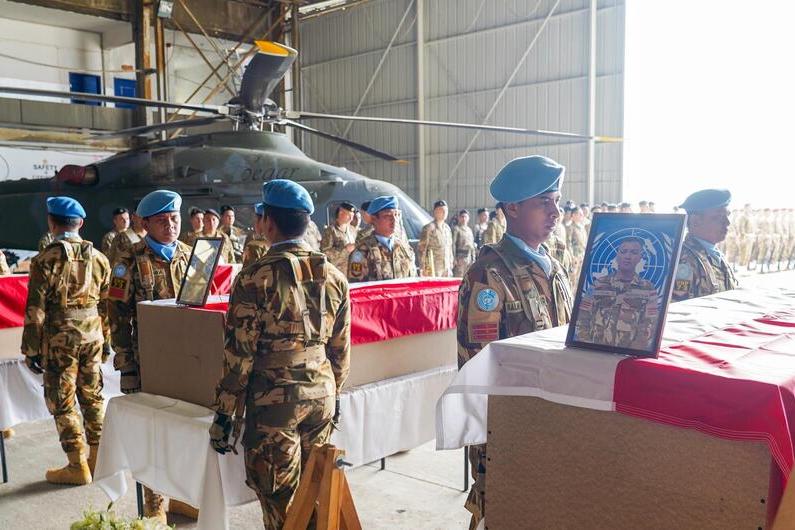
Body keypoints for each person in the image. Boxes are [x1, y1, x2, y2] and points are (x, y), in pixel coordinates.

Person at [210, 179, 350, 529]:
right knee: (314, 488)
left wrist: (225, 415)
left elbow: (238, 355)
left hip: (275, 404)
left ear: (267, 223)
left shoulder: (254, 277)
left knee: (280, 499)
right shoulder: (333, 276)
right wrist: (334, 393)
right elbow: (341, 348)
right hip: (322, 395)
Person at [458, 155, 573, 529]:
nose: (555, 211)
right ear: (512, 207)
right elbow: (477, 365)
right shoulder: (489, 273)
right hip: (512, 432)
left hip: (556, 420)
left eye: (556, 200)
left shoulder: (553, 266)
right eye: (544, 202)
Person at [108, 190, 197, 522]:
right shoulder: (128, 262)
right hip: (151, 364)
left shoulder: (192, 255)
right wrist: (127, 366)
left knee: (187, 429)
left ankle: (184, 494)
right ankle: (155, 503)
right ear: (144, 223)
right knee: (154, 433)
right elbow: (117, 318)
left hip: (191, 359)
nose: (171, 225)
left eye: (174, 218)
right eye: (162, 220)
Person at [21, 196, 111, 485]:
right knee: (92, 395)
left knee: (62, 399)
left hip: (61, 339)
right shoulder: (100, 258)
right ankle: (99, 460)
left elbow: (35, 309)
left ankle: (76, 465)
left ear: (51, 222)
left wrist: (31, 349)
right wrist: (106, 340)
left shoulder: (45, 259)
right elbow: (106, 305)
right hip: (93, 335)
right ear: (80, 223)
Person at [574, 237, 658, 350]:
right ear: (617, 255)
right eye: (623, 251)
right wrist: (586, 345)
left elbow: (649, 325)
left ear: (640, 257)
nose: (628, 256)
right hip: (594, 353)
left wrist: (633, 353)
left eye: (634, 252)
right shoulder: (598, 284)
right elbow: (582, 318)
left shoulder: (648, 289)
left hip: (626, 357)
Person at [672, 189, 738, 302]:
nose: (727, 222)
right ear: (695, 221)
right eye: (718, 217)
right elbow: (680, 310)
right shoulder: (684, 260)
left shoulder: (714, 254)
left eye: (727, 215)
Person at [347, 196, 416, 282]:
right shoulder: (362, 252)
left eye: (396, 215)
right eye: (387, 216)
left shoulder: (405, 249)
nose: (394, 220)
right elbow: (357, 288)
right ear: (374, 219)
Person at [418, 200, 454, 277]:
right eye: (441, 210)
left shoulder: (447, 229)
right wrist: (423, 268)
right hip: (433, 269)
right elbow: (422, 249)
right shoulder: (429, 228)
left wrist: (450, 264)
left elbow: (449, 248)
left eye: (446, 210)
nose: (444, 212)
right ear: (435, 212)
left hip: (445, 268)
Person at [320, 201, 358, 274]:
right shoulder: (331, 231)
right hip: (338, 272)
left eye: (352, 216)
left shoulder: (353, 230)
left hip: (352, 271)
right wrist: (345, 250)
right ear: (341, 213)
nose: (351, 218)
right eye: (349, 215)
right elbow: (325, 253)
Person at [241, 203, 270, 267]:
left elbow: (247, 275)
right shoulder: (279, 243)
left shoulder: (254, 247)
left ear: (262, 221)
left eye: (255, 220)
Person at [452, 210, 477, 277]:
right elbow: (453, 244)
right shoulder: (456, 229)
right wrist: (454, 258)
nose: (464, 219)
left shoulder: (469, 230)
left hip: (468, 258)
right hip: (459, 258)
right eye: (462, 217)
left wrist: (473, 258)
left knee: (467, 279)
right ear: (459, 218)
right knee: (459, 278)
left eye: (465, 217)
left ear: (468, 218)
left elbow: (472, 246)